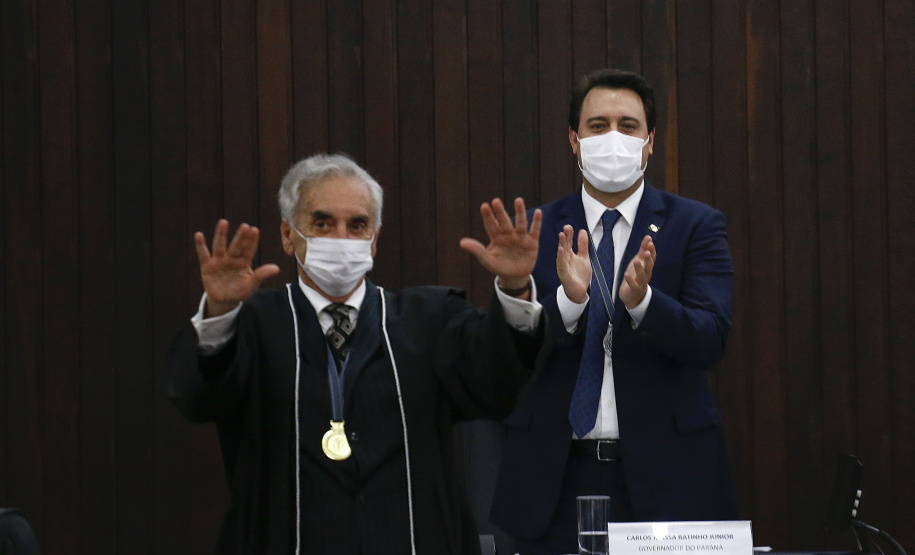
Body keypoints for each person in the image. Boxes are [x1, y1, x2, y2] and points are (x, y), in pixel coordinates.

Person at [168, 153, 545, 554]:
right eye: (323, 223)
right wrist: (221, 311)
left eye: (358, 225)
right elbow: (200, 400)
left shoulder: (430, 321)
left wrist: (516, 286)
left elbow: (499, 385)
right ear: (287, 234)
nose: (341, 239)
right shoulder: (253, 326)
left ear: (375, 240)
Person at [489, 68, 739, 554]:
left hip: (668, 478)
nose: (613, 139)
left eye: (628, 126)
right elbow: (510, 358)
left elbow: (710, 339)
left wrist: (644, 303)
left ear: (649, 142)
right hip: (554, 478)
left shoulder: (696, 225)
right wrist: (568, 302)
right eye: (598, 126)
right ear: (573, 139)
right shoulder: (535, 232)